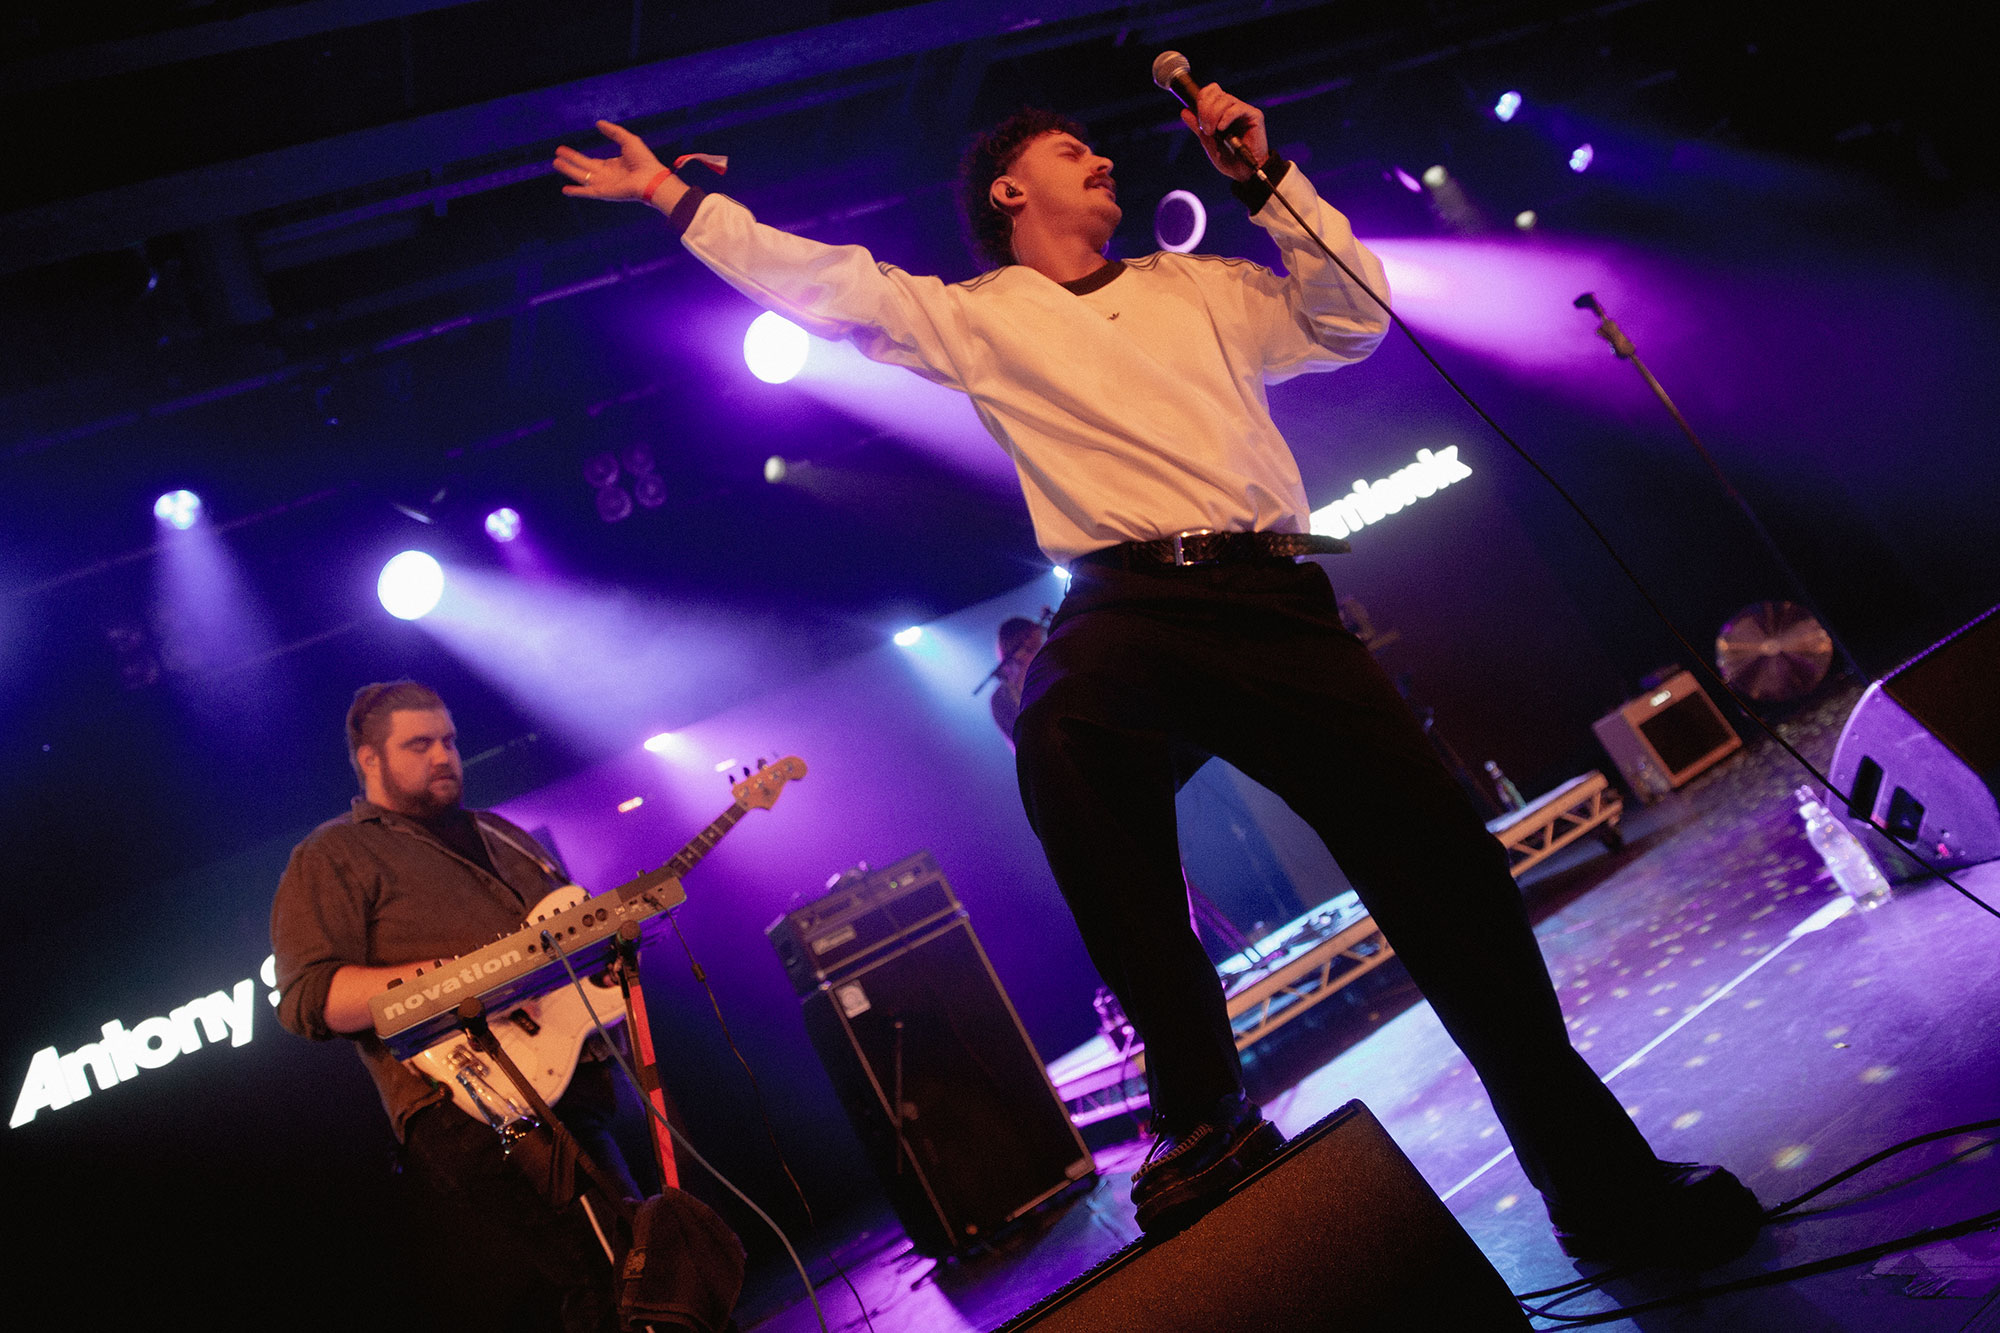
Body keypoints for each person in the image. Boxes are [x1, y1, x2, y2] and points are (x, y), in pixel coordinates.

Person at [550, 83, 1762, 1264]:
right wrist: (668, 195)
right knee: (1062, 729)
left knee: (1446, 874)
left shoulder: (1204, 286)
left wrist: (1269, 182)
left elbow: (1350, 320)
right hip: (1128, 605)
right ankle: (1201, 1107)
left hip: (1275, 603)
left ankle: (1601, 1189)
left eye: (1100, 150)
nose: (1105, 161)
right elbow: (825, 286)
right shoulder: (978, 316)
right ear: (1008, 190)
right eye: (1072, 151)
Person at [270, 681, 646, 1331]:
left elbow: (570, 939)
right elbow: (312, 998)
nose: (444, 755)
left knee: (637, 1263)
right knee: (608, 1270)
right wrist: (451, 979)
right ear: (370, 759)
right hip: (470, 1098)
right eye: (419, 744)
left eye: (448, 740)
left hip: (573, 1076)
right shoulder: (334, 854)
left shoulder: (500, 833)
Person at [988, 615, 1048, 745]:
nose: (1042, 651)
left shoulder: (1055, 673)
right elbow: (1028, 744)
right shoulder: (1001, 700)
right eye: (1032, 649)